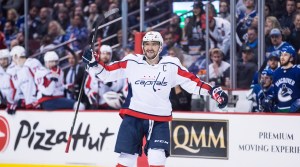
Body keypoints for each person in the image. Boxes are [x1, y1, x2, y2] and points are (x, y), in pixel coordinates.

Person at [82, 31, 228, 167]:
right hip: (133, 115)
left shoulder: (172, 64)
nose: (150, 47)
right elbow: (107, 73)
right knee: (126, 158)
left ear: (160, 46)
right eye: (146, 44)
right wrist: (95, 63)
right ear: (142, 46)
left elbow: (192, 82)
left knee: (157, 156)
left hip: (159, 118)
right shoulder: (132, 61)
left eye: (154, 44)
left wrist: (212, 91)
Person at [84, 45, 126, 109]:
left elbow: (119, 87)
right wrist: (90, 93)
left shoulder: (116, 68)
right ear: (99, 54)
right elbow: (87, 86)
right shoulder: (93, 69)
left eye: (108, 54)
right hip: (96, 103)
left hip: (111, 104)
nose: (105, 56)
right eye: (103, 53)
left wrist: (107, 81)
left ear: (111, 55)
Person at [266, 46, 300, 112]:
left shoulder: (298, 71)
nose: (282, 57)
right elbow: (274, 91)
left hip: (295, 112)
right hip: (279, 111)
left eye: (285, 55)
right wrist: (270, 97)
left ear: (291, 58)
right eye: (281, 55)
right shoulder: (276, 72)